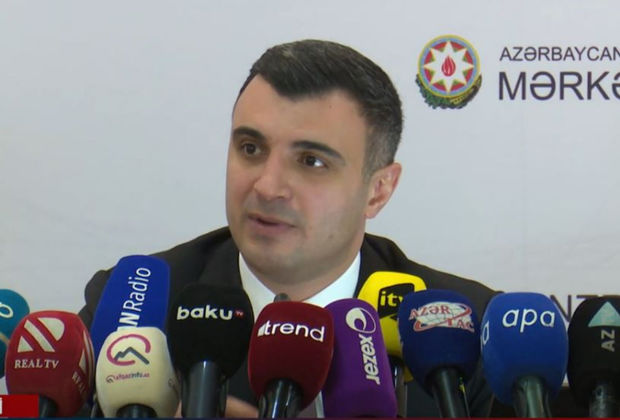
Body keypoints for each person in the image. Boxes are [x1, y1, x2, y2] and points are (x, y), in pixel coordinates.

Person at [79, 39, 497, 417]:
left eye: (311, 161)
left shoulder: (467, 333)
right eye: (250, 148)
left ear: (378, 191)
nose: (267, 186)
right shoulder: (132, 312)